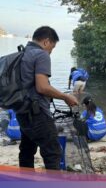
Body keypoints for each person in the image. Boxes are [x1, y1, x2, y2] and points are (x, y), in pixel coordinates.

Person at [15, 26, 78, 170]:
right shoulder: (41, 55)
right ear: (46, 42)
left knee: (26, 151)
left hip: (22, 112)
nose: (51, 51)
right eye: (52, 47)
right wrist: (65, 97)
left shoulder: (22, 54)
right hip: (37, 114)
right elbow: (42, 87)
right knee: (53, 153)